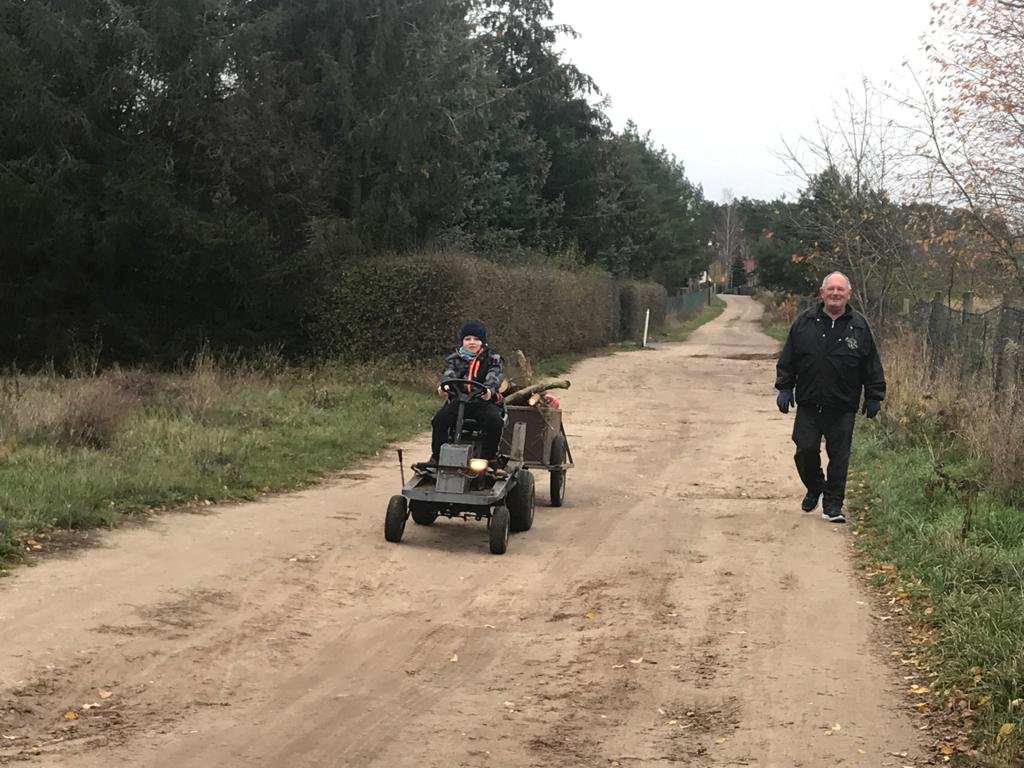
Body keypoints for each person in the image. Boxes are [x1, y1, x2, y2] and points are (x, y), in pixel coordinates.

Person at [774, 272, 886, 523]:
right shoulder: (804, 322)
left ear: (849, 294)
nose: (835, 293)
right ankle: (815, 486)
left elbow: (871, 364)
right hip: (809, 402)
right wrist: (784, 387)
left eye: (840, 289)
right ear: (822, 293)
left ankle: (833, 505)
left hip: (843, 404)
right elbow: (789, 358)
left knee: (839, 457)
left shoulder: (859, 326)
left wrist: (874, 395)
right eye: (831, 289)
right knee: (805, 450)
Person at [429, 319, 505, 470]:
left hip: (482, 402)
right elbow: (449, 374)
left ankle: (489, 457)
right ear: (462, 341)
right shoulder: (455, 359)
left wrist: (489, 390)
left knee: (495, 422)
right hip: (459, 401)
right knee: (439, 419)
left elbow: (494, 377)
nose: (472, 342)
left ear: (482, 341)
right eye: (468, 339)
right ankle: (437, 456)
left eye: (476, 339)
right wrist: (445, 386)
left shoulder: (493, 359)